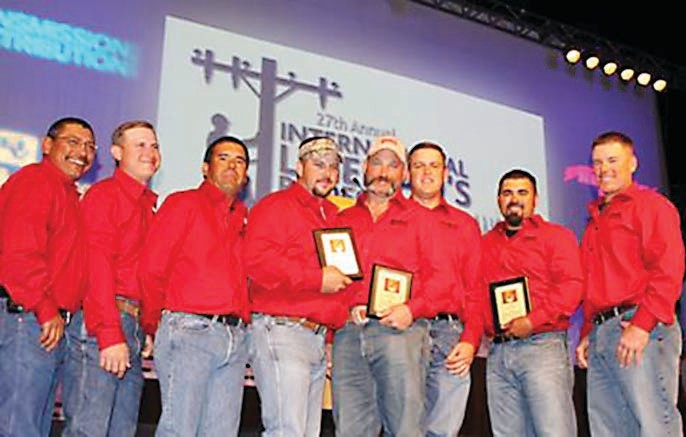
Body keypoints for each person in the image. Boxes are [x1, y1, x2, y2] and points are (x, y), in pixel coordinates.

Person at [139, 136, 251, 436]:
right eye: (223, 158)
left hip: (235, 337)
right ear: (205, 167)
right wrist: (153, 323)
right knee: (179, 429)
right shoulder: (183, 203)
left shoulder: (243, 218)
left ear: (246, 176)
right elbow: (152, 268)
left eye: (240, 161)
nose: (232, 166)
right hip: (190, 330)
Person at [576, 131, 685, 436]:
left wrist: (643, 324)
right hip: (602, 334)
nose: (603, 168)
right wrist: (587, 332)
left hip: (638, 328)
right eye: (597, 162)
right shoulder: (596, 220)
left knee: (655, 425)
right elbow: (595, 284)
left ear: (632, 163)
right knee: (607, 429)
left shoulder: (652, 206)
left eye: (613, 160)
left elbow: (669, 268)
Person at [245, 136, 351, 437]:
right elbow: (256, 262)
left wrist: (329, 336)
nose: (327, 172)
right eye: (318, 164)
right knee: (286, 431)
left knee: (306, 432)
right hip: (282, 330)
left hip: (316, 337)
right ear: (298, 167)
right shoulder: (275, 206)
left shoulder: (333, 216)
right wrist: (317, 278)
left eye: (333, 166)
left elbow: (338, 282)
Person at [61, 120, 160, 436]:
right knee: (90, 428)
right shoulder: (106, 196)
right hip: (104, 321)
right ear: (117, 153)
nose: (150, 152)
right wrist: (108, 333)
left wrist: (145, 326)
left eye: (154, 145)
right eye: (140, 145)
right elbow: (97, 267)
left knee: (122, 429)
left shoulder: (147, 206)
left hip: (128, 324)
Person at [333, 136, 436, 436]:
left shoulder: (421, 220)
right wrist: (336, 324)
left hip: (401, 332)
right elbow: (329, 281)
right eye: (377, 162)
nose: (383, 172)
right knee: (350, 429)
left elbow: (441, 280)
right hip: (349, 335)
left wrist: (410, 308)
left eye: (393, 165)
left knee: (405, 429)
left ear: (403, 174)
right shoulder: (343, 219)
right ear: (364, 167)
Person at [0, 116, 96, 436]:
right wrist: (44, 308)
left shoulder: (69, 193)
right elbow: (18, 252)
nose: (82, 152)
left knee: (34, 424)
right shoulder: (35, 182)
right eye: (73, 142)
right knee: (19, 424)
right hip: (27, 318)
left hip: (47, 322)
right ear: (47, 145)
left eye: (89, 146)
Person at [481, 169, 582, 437]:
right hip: (497, 352)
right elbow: (475, 295)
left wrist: (532, 320)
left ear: (535, 199)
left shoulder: (557, 236)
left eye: (522, 192)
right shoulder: (485, 243)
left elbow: (572, 286)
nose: (514, 199)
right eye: (507, 193)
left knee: (554, 432)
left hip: (542, 346)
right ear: (498, 200)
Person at [407, 141, 483, 436]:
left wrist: (470, 339)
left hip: (452, 336)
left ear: (446, 172)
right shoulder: (391, 217)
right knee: (402, 428)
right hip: (404, 332)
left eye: (434, 165)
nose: (426, 172)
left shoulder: (465, 225)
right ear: (407, 173)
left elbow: (475, 288)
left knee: (443, 431)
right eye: (419, 165)